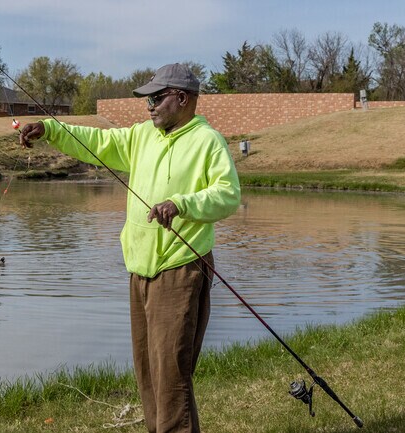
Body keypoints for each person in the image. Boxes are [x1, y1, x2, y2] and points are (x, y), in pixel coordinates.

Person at [19, 63, 241, 433]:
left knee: (171, 377)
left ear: (182, 98)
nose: (149, 106)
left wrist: (182, 204)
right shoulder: (142, 137)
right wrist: (50, 129)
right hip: (139, 271)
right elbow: (97, 143)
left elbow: (228, 195)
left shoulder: (207, 141)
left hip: (180, 269)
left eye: (157, 97)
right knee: (149, 374)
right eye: (147, 99)